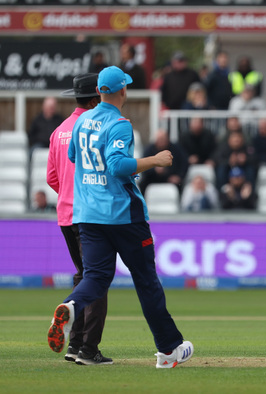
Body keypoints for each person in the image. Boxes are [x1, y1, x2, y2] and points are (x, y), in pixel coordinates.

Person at [47, 66, 193, 369]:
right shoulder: (120, 124)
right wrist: (156, 159)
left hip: (87, 216)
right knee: (146, 282)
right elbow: (117, 166)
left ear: (99, 91)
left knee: (96, 277)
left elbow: (74, 157)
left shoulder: (82, 120)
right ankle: (168, 352)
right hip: (123, 216)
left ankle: (71, 307)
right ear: (123, 90)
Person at [46, 73, 110, 365]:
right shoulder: (96, 128)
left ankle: (74, 346)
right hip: (92, 215)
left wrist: (70, 195)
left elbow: (52, 178)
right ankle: (88, 349)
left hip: (65, 215)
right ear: (96, 98)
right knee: (96, 279)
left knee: (84, 275)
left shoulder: (59, 130)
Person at [139, 129, 188, 195]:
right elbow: (143, 167)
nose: (161, 142)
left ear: (167, 139)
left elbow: (184, 163)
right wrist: (155, 170)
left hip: (170, 177)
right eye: (159, 139)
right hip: (153, 178)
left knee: (180, 185)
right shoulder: (149, 150)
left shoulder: (176, 149)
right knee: (142, 184)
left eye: (163, 139)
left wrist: (179, 176)